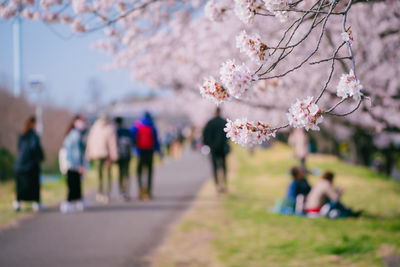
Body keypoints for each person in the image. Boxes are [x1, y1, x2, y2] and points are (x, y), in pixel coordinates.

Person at [14, 116, 45, 212]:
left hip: (20, 165)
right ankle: (36, 202)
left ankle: (17, 203)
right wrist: (40, 158)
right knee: (34, 185)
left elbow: (19, 149)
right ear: (33, 124)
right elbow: (35, 150)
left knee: (21, 186)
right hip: (31, 165)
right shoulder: (33, 136)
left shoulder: (22, 135)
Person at [86, 113, 118, 203]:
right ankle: (105, 193)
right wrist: (113, 156)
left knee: (100, 175)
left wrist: (89, 153)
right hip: (105, 155)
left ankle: (101, 193)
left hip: (98, 155)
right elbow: (113, 144)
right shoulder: (110, 128)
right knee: (107, 175)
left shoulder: (95, 127)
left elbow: (90, 141)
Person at [130, 111, 162, 200]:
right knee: (149, 172)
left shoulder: (136, 126)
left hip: (139, 152)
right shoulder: (152, 126)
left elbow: (131, 138)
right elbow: (156, 141)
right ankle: (148, 192)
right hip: (150, 152)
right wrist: (159, 152)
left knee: (139, 172)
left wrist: (134, 149)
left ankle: (141, 191)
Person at [60, 115, 87, 213]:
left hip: (71, 164)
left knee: (75, 184)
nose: (83, 124)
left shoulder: (73, 133)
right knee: (73, 185)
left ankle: (77, 200)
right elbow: (75, 152)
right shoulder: (75, 134)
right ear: (75, 122)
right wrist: (78, 165)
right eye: (82, 122)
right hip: (73, 164)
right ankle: (68, 203)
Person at [202, 107, 230, 193]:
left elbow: (205, 134)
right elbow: (229, 134)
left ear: (214, 112)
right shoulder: (224, 122)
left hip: (213, 148)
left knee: (215, 167)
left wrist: (209, 144)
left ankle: (217, 184)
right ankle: (224, 183)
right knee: (223, 166)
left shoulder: (210, 122)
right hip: (222, 148)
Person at [115, 117, 133, 201]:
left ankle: (121, 192)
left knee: (120, 174)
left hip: (118, 156)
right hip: (127, 155)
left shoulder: (115, 131)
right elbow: (132, 142)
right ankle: (126, 192)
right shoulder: (127, 131)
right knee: (126, 174)